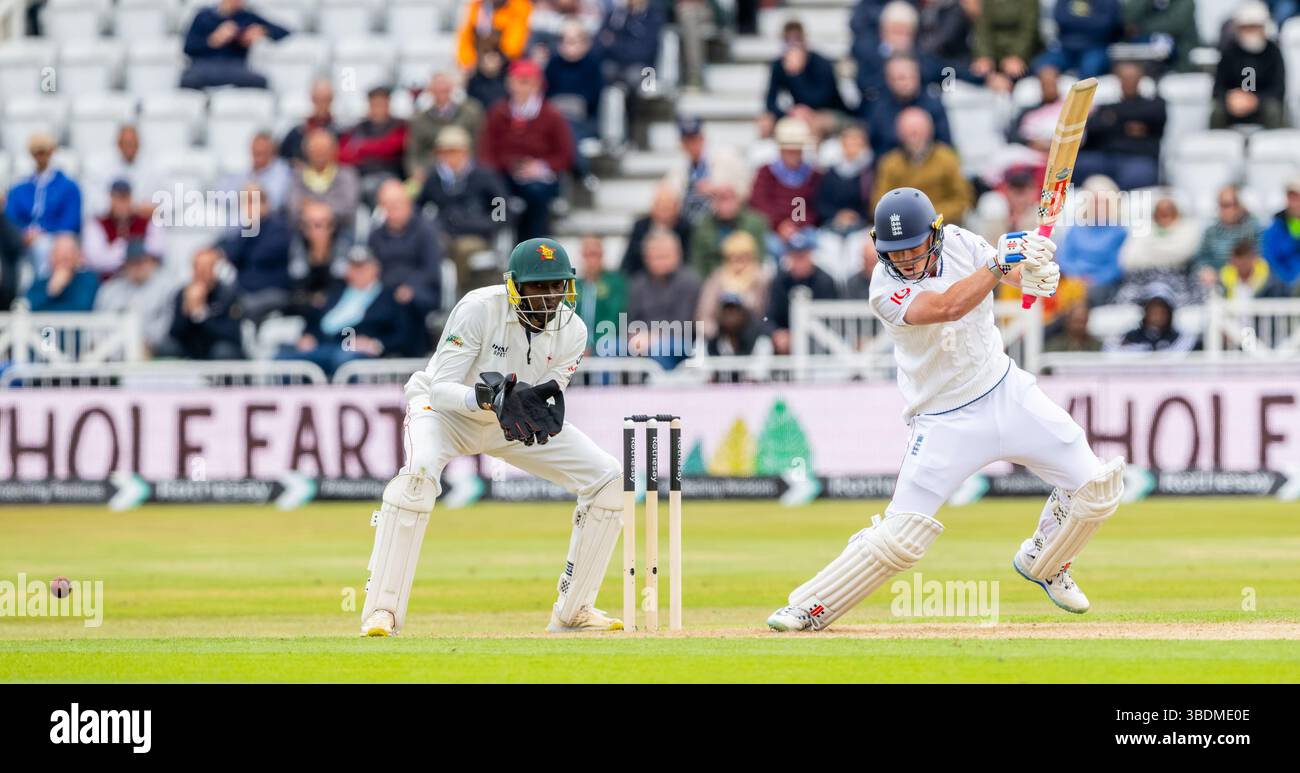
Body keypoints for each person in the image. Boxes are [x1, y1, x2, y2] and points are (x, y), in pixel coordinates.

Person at [767, 187, 1124, 632]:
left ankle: (1045, 560)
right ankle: (810, 606)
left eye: (914, 248)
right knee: (903, 537)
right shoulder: (884, 288)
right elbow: (947, 306)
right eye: (894, 253)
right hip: (943, 417)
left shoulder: (960, 241)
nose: (907, 261)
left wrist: (1032, 266)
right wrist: (999, 263)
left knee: (1096, 487)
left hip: (1006, 390)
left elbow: (1011, 279)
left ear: (933, 234)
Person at [359, 238, 627, 636]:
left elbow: (545, 395)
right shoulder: (477, 308)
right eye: (538, 287)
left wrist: (537, 408)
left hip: (510, 424)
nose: (549, 297)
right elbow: (439, 388)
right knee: (416, 479)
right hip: (446, 415)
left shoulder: (573, 330)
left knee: (607, 479)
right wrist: (485, 398)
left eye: (557, 286)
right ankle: (383, 612)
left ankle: (573, 611)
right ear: (514, 285)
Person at [479, 59, 575, 241]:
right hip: (505, 175)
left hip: (539, 178)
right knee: (493, 195)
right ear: (509, 83)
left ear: (538, 84)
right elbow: (487, 152)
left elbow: (565, 155)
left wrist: (540, 166)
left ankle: (534, 245)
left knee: (536, 194)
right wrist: (509, 166)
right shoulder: (498, 113)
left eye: (527, 81)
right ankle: (495, 246)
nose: (522, 88)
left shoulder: (552, 115)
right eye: (517, 81)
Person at [280, 247, 408, 377]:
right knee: (282, 359)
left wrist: (376, 343)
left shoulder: (389, 297)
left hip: (354, 352)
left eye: (363, 267)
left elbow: (402, 334)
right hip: (322, 346)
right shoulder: (336, 292)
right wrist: (307, 335)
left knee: (344, 361)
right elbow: (315, 320)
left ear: (375, 269)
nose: (358, 272)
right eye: (354, 267)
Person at [417, 126, 510, 294]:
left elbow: (502, 207)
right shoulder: (434, 178)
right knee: (430, 245)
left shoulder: (485, 176)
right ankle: (433, 295)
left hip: (477, 234)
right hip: (445, 232)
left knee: (463, 250)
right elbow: (419, 205)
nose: (449, 158)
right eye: (444, 152)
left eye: (454, 152)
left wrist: (485, 224)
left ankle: (461, 294)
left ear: (465, 152)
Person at [370, 180, 444, 356]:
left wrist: (411, 286)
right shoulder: (376, 235)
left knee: (407, 303)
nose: (392, 210)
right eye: (386, 205)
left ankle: (409, 355)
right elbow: (373, 266)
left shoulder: (426, 231)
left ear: (408, 204)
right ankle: (377, 350)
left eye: (396, 205)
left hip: (421, 290)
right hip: (385, 289)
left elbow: (431, 269)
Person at [1075, 60, 1165, 191]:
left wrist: (1113, 120)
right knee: (1074, 168)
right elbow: (1092, 127)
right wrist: (1127, 124)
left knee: (1138, 176)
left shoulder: (1153, 105)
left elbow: (1155, 115)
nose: (1129, 82)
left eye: (1132, 78)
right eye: (1125, 78)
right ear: (1118, 80)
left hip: (1138, 158)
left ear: (1140, 79)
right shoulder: (1105, 107)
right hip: (1104, 158)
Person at [874, 107, 973, 225]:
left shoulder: (947, 158)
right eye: (908, 129)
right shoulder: (890, 164)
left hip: (944, 226)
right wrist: (907, 218)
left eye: (918, 128)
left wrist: (928, 216)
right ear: (899, 132)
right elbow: (879, 204)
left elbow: (963, 200)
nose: (914, 133)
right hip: (904, 230)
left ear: (930, 130)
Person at [6, 132, 82, 276]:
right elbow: (11, 217)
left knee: (42, 247)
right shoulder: (19, 189)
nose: (40, 156)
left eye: (44, 152)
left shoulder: (68, 187)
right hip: (22, 239)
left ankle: (42, 290)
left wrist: (43, 232)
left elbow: (71, 222)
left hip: (53, 239)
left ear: (51, 152)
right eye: (37, 152)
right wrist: (24, 233)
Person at [626, 229, 702, 369]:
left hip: (680, 342)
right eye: (655, 256)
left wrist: (652, 338)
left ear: (677, 254)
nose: (659, 260)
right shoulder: (638, 283)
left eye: (664, 255)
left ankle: (658, 390)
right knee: (608, 347)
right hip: (642, 339)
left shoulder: (689, 281)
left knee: (660, 349)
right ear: (646, 257)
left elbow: (683, 324)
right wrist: (634, 337)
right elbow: (631, 320)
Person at [219, 184, 294, 322]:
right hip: (245, 291)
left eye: (253, 201)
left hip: (271, 292)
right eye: (245, 202)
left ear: (265, 203)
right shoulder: (248, 229)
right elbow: (231, 254)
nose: (248, 207)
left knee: (239, 309)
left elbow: (259, 256)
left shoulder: (279, 227)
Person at [763, 20, 850, 138]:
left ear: (804, 40)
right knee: (765, 122)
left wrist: (796, 75)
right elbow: (770, 101)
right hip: (796, 113)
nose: (793, 44)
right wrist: (789, 112)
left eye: (797, 39)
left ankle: (810, 156)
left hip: (828, 111)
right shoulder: (779, 65)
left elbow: (822, 99)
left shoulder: (821, 63)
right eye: (788, 40)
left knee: (813, 124)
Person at [181, 0, 288, 90]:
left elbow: (284, 32)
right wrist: (212, 41)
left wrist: (262, 31)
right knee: (188, 81)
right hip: (204, 66)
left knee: (260, 81)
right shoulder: (203, 16)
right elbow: (188, 48)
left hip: (235, 67)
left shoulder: (247, 17)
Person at [750, 117, 823, 249]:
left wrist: (797, 225)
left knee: (815, 245)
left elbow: (814, 207)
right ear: (780, 150)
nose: (793, 155)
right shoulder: (766, 173)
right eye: (789, 150)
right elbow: (760, 204)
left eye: (797, 150)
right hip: (772, 230)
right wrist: (779, 225)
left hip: (803, 229)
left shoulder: (813, 174)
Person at [1211, 2, 1287, 130]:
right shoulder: (1229, 51)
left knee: (1273, 109)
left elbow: (1278, 89)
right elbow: (1217, 88)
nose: (1251, 32)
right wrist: (1230, 98)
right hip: (1234, 106)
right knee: (1217, 110)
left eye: (1255, 27)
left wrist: (1255, 100)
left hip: (1262, 105)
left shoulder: (1273, 52)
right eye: (1246, 27)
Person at [93, 241, 177, 355]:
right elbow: (98, 323)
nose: (138, 267)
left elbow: (166, 322)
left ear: (151, 262)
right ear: (125, 265)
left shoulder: (166, 288)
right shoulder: (110, 290)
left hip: (152, 350)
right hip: (112, 352)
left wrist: (148, 344)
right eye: (133, 262)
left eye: (142, 261)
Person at [663, 116, 750, 225]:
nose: (692, 145)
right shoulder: (678, 170)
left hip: (722, 222)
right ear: (682, 144)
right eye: (687, 141)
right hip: (688, 225)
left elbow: (745, 189)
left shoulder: (727, 158)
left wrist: (718, 190)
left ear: (702, 138)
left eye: (694, 139)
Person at [765, 230, 841, 354]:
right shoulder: (780, 281)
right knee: (764, 345)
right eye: (794, 256)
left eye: (802, 256)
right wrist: (776, 333)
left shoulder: (825, 281)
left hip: (822, 341)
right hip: (786, 342)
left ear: (811, 255)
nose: (799, 262)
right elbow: (769, 317)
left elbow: (834, 319)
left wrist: (802, 336)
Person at [1055, 175, 1127, 305]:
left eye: (1104, 201)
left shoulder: (1119, 231)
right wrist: (1077, 277)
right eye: (1094, 201)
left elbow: (1117, 266)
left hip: (1102, 286)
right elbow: (1065, 258)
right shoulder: (1076, 228)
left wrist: (1094, 280)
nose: (1098, 206)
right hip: (1073, 282)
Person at [864, 54, 953, 157]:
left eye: (904, 77)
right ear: (887, 79)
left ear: (917, 75)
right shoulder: (878, 108)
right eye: (895, 78)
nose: (902, 83)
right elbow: (875, 147)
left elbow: (945, 146)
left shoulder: (933, 105)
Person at [164, 247, 244, 360]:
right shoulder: (182, 293)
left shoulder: (228, 295)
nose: (201, 272)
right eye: (198, 267)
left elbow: (231, 335)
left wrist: (200, 314)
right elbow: (174, 333)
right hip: (192, 349)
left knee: (223, 350)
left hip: (216, 350)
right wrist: (187, 310)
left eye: (206, 268)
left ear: (216, 269)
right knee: (167, 347)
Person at [406, 73, 486, 180]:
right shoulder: (419, 120)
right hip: (431, 171)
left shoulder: (471, 113)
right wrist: (417, 173)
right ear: (430, 90)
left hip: (466, 168)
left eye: (444, 87)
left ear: (452, 88)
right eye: (437, 87)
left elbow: (480, 143)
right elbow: (414, 153)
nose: (441, 91)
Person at [82, 180, 167, 277]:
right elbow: (97, 260)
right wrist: (129, 248)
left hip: (143, 281)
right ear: (111, 199)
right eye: (117, 198)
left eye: (125, 198)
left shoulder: (145, 219)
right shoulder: (97, 223)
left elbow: (158, 249)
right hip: (110, 282)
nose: (122, 204)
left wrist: (115, 250)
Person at [695, 230, 769, 341]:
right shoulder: (718, 277)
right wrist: (710, 330)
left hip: (752, 333)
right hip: (720, 334)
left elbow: (764, 314)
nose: (738, 261)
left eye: (743, 256)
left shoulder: (762, 278)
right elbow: (704, 313)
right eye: (733, 256)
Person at [338, 86, 410, 198]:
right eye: (375, 104)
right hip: (361, 175)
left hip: (392, 175)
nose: (378, 109)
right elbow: (344, 155)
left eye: (382, 104)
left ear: (388, 104)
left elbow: (391, 147)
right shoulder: (357, 128)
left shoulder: (400, 126)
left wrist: (361, 147)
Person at [689, 180, 770, 277]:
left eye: (729, 198)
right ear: (713, 202)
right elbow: (697, 261)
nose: (726, 204)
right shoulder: (703, 226)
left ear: (738, 200)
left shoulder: (754, 223)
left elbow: (760, 256)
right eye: (721, 198)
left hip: (748, 276)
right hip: (715, 277)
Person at [289, 129, 361, 233]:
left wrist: (316, 210)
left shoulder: (347, 175)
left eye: (324, 149)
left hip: (339, 230)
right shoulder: (297, 176)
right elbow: (293, 207)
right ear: (306, 151)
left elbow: (348, 207)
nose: (320, 153)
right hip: (304, 231)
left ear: (334, 150)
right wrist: (327, 206)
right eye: (315, 148)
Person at [289, 199, 351, 315]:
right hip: (304, 310)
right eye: (310, 224)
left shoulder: (344, 246)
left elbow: (343, 285)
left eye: (325, 223)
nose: (319, 229)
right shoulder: (296, 246)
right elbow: (296, 286)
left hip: (338, 310)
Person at [1033, 0, 1122, 79]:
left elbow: (1105, 25)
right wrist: (1089, 21)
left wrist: (1075, 21)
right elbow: (1060, 18)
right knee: (1043, 67)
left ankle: (1083, 98)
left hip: (1095, 46)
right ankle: (1057, 98)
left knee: (1089, 72)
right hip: (1065, 47)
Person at [621, 184, 690, 276]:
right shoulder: (640, 227)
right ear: (652, 208)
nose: (663, 212)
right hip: (643, 278)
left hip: (676, 279)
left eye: (667, 207)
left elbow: (688, 260)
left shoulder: (686, 228)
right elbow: (629, 260)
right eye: (659, 206)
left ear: (677, 208)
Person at [971, 0, 1039, 92]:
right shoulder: (987, 2)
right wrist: (984, 56)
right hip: (995, 55)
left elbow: (1029, 31)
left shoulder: (1029, 2)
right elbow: (983, 29)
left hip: (1023, 56)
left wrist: (1018, 56)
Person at [575, 235, 626, 355]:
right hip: (577, 346)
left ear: (602, 255)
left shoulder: (615, 283)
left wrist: (593, 345)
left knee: (608, 346)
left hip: (605, 342)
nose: (591, 260)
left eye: (595, 254)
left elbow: (614, 317)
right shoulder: (574, 286)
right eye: (587, 255)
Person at [1193, 185, 1260, 277]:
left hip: (1246, 278)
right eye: (1224, 205)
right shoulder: (1211, 231)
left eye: (1233, 204)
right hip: (1216, 278)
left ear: (1240, 205)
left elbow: (1261, 257)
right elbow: (1200, 258)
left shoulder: (1253, 227)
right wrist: (1205, 269)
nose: (1230, 209)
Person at [1106, 288, 1197, 352]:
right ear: (1145, 312)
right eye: (1153, 311)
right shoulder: (1131, 337)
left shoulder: (1179, 338)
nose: (1158, 316)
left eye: (1162, 311)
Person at [25, 234, 99, 312]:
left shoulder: (88, 280)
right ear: (50, 257)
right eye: (59, 252)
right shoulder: (40, 282)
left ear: (78, 256)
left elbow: (81, 308)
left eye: (69, 252)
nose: (64, 256)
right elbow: (30, 308)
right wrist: (51, 291)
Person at [456, 0, 533, 71]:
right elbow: (465, 36)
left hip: (506, 63)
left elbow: (515, 41)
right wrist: (467, 61)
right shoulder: (476, 6)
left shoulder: (519, 6)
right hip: (478, 62)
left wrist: (501, 57)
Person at [229, 132, 293, 214]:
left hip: (270, 220)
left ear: (272, 152)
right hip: (242, 218)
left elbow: (275, 202)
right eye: (255, 153)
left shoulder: (282, 172)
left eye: (262, 153)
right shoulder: (244, 172)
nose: (257, 158)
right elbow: (226, 196)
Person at [280, 79, 339, 164]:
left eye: (326, 99)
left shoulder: (341, 133)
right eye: (318, 99)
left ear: (332, 100)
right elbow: (283, 158)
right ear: (312, 99)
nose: (322, 103)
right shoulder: (297, 133)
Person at [1260, 178, 1300, 290]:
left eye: (1297, 197)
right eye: (1291, 197)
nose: (1295, 202)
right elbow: (1271, 258)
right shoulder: (1276, 227)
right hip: (1283, 285)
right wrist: (1289, 281)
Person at [1216, 238, 1288, 300]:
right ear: (1232, 262)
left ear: (1254, 259)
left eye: (1245, 263)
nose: (1242, 267)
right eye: (1238, 263)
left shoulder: (1272, 283)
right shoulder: (1222, 281)